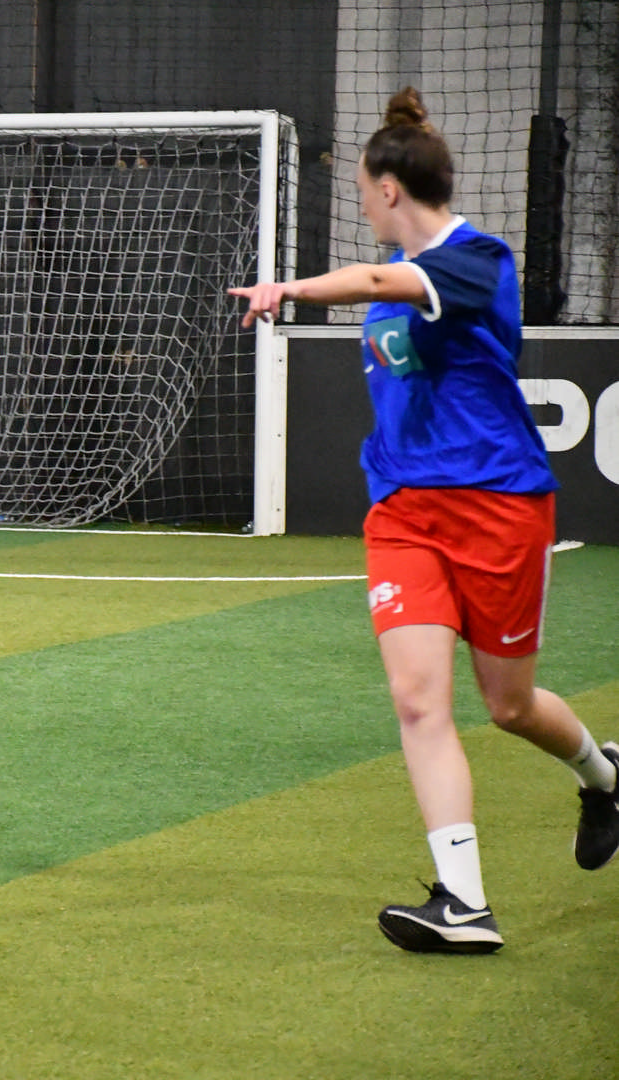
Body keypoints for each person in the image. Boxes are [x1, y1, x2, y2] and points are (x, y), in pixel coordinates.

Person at [229, 88, 619, 954]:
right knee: (417, 700)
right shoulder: (391, 289)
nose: (363, 207)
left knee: (509, 707)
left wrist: (287, 288)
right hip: (404, 513)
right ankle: (464, 903)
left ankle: (604, 778)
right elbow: (384, 300)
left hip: (498, 506)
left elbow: (379, 280)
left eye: (363, 192)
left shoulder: (478, 261)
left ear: (389, 189)